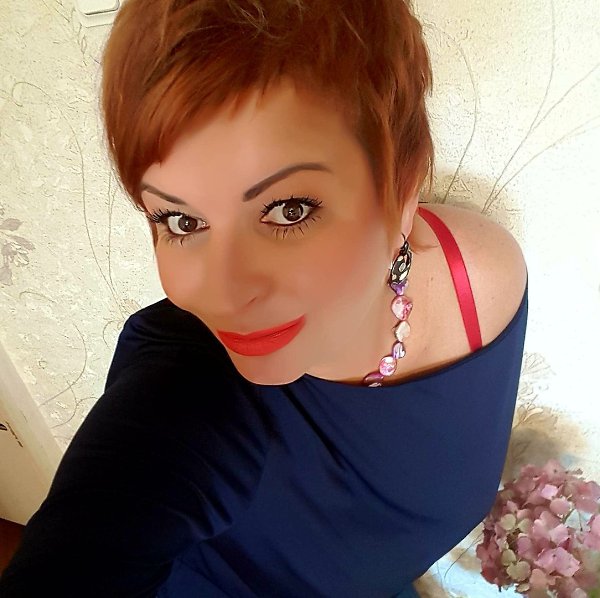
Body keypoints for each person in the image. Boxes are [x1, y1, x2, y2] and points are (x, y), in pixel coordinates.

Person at [0, 0, 528, 596]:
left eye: (289, 210)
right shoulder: (189, 384)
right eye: (180, 221)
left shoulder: (481, 280)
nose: (224, 295)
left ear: (402, 189)